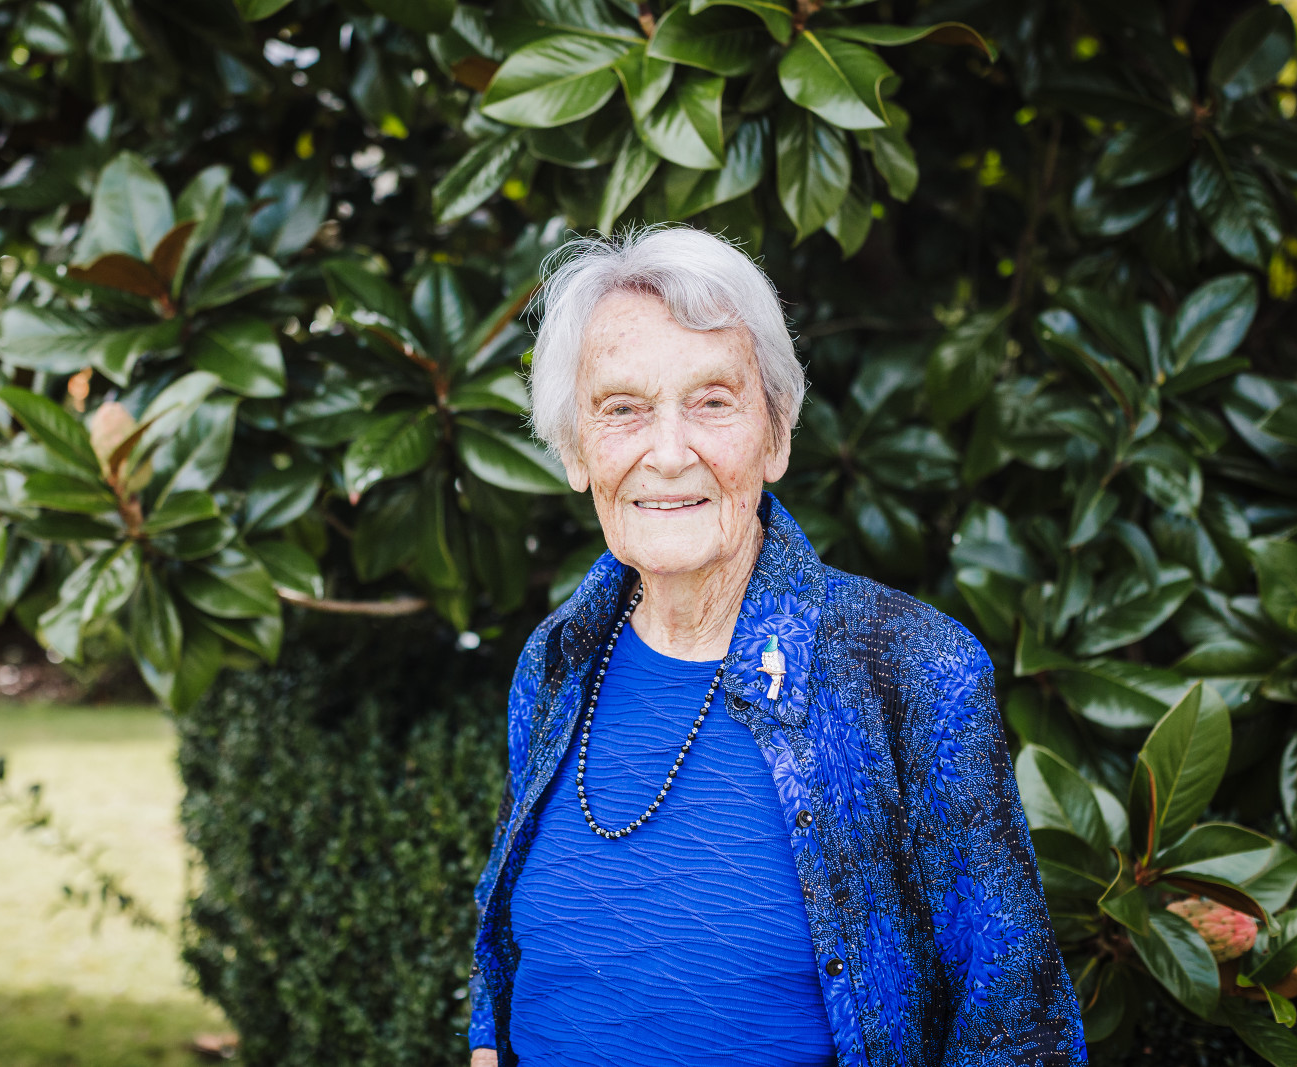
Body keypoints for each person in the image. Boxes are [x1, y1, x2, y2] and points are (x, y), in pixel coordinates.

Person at [466, 227, 1087, 1066]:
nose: (668, 453)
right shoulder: (556, 659)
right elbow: (508, 948)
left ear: (777, 434)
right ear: (577, 450)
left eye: (712, 401)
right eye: (623, 409)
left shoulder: (913, 672)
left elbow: (1019, 1025)